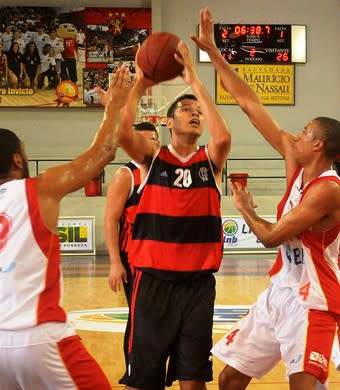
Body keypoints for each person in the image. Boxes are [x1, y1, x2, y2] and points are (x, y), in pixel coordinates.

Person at [191, 7, 340, 390]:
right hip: (279, 292)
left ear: (319, 144)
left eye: (305, 132)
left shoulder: (328, 189)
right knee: (229, 379)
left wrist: (245, 210)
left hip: (312, 300)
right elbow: (249, 103)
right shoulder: (296, 161)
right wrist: (214, 52)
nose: (297, 135)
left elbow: (272, 237)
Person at [0, 65, 131, 389]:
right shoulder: (37, 189)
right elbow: (102, 153)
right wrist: (114, 102)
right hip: (37, 336)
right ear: (17, 160)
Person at [117, 40, 232, 389]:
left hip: (198, 286)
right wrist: (140, 84)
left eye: (198, 111)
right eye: (185, 109)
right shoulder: (153, 158)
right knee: (145, 380)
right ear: (167, 122)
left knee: (194, 379)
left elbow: (223, 136)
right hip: (153, 283)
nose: (195, 113)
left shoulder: (209, 162)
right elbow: (123, 133)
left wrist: (196, 82)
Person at [104, 121, 159, 302]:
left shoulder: (167, 170)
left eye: (152, 140)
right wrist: (115, 262)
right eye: (141, 140)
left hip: (164, 255)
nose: (147, 144)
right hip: (135, 258)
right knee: (141, 319)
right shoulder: (125, 175)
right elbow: (110, 220)